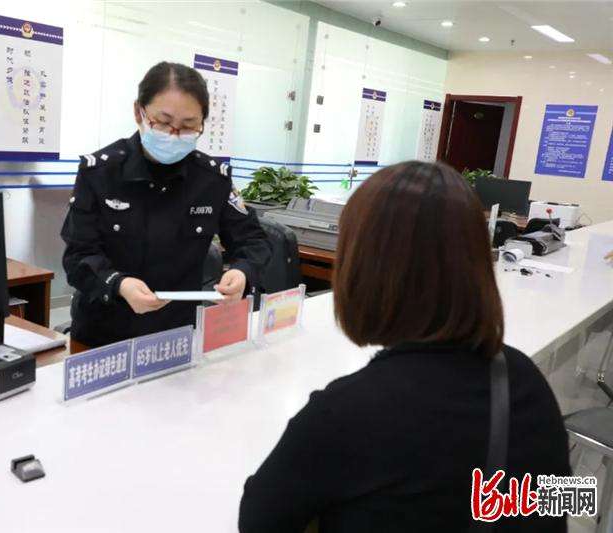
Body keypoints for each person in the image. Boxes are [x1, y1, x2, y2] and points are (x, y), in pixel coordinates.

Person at [239, 161, 570, 532]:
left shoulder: (346, 413)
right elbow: (558, 508)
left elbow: (258, 520)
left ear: (364, 269)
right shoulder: (527, 381)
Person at [61, 62, 270, 347]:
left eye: (188, 126)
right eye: (164, 122)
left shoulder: (212, 179)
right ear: (139, 112)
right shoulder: (100, 173)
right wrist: (119, 284)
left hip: (176, 334)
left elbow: (253, 240)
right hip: (104, 332)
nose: (174, 134)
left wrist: (242, 272)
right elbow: (78, 256)